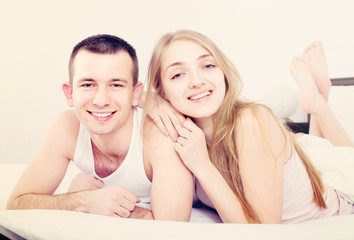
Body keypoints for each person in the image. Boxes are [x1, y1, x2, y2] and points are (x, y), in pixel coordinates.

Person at [143, 30, 354, 223]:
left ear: (223, 73)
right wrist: (150, 100)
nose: (196, 81)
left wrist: (202, 165)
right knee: (315, 148)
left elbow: (261, 230)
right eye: (178, 75)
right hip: (301, 169)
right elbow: (126, 97)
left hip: (341, 205)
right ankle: (318, 101)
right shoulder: (178, 136)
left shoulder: (252, 121)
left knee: (343, 157)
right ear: (163, 92)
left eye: (208, 65)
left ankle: (318, 102)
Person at [6, 34, 194, 221]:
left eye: (116, 85)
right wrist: (84, 201)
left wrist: (102, 202)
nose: (101, 101)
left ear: (136, 94)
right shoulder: (66, 127)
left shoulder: (161, 134)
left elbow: (171, 227)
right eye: (88, 84)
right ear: (70, 94)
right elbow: (17, 204)